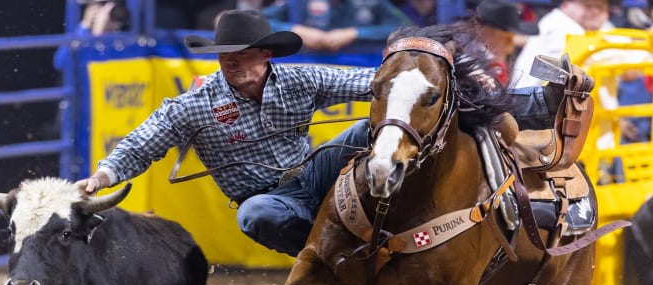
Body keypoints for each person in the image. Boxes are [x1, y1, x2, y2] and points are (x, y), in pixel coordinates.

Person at [78, 9, 571, 258]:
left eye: (242, 55)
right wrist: (102, 177)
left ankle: (538, 106)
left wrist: (442, 79)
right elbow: (144, 140)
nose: (232, 63)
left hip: (316, 171)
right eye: (226, 56)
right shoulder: (194, 106)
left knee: (387, 123)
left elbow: (380, 85)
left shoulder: (300, 80)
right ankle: (337, 256)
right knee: (256, 214)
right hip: (269, 197)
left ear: (265, 55)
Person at [511, 0, 614, 87]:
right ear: (566, 4)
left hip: (562, 98)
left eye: (601, 7)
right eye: (589, 6)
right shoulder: (557, 24)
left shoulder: (599, 26)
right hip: (532, 100)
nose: (596, 11)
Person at [260, 0, 413, 52]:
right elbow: (258, 20)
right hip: (306, 65)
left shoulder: (372, 2)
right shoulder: (297, 2)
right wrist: (294, 30)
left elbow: (405, 27)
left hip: (358, 67)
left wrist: (355, 33)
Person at [472, 0, 539, 85]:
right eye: (507, 39)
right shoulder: (474, 64)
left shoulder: (497, 52)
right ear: (488, 33)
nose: (512, 43)